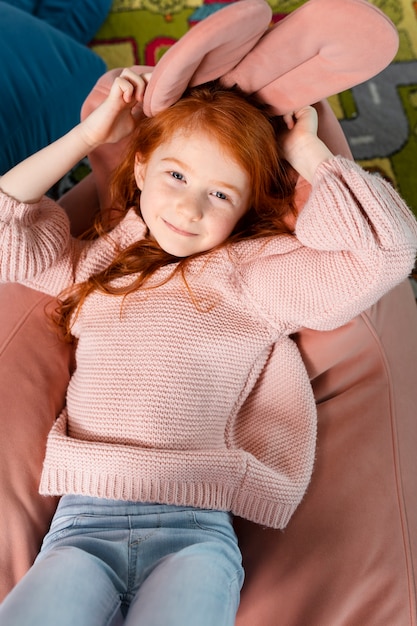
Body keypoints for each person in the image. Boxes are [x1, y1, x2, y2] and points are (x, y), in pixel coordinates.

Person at [0, 67, 416, 626]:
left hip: (192, 534)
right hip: (81, 528)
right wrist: (90, 139)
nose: (190, 209)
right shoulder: (97, 263)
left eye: (219, 194)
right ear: (141, 167)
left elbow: (385, 253)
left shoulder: (255, 277)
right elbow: (8, 218)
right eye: (175, 175)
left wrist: (309, 153)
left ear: (245, 208)